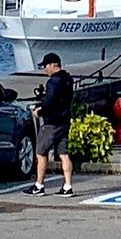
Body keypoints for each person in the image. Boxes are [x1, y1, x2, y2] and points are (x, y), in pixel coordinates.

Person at [23, 52, 75, 196]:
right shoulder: (68, 79)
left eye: (46, 66)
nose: (45, 69)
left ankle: (39, 185)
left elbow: (50, 101)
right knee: (64, 153)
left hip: (51, 123)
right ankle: (68, 186)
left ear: (53, 65)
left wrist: (40, 111)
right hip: (64, 121)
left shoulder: (53, 82)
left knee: (41, 152)